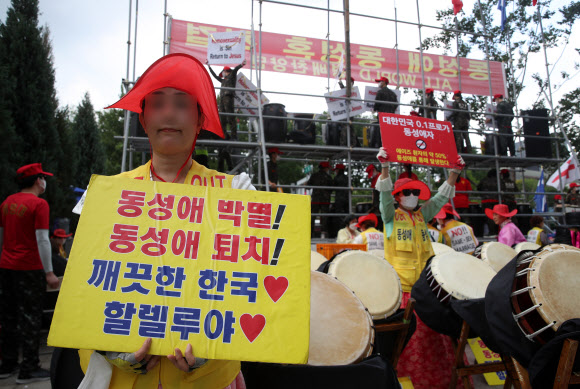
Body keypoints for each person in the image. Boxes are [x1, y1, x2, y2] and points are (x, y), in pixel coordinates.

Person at [77, 53, 253, 389]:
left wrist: (214, 346)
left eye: (182, 104)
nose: (169, 114)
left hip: (207, 379)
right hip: (120, 378)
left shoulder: (238, 192)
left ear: (200, 119)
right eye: (157, 104)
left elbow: (253, 285)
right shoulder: (103, 195)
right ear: (143, 120)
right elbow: (83, 286)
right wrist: (109, 345)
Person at [375, 147, 466, 389]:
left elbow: (440, 199)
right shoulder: (390, 217)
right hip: (403, 294)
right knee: (405, 345)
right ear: (397, 196)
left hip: (427, 292)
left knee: (436, 343)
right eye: (407, 192)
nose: (412, 195)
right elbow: (383, 197)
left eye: (415, 192)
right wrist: (385, 166)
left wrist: (454, 173)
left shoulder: (422, 216)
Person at [0, 163, 60, 384]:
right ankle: (29, 368)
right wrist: (49, 272)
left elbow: (2, 235)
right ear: (38, 180)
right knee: (30, 318)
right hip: (29, 267)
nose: (45, 182)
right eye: (44, 178)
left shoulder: (7, 203)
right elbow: (43, 239)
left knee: (8, 317)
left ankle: (7, 365)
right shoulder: (38, 204)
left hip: (6, 266)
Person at [207, 60, 246, 140]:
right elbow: (215, 76)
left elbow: (235, 69)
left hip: (228, 97)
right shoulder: (223, 80)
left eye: (224, 71)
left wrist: (241, 64)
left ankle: (234, 136)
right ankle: (224, 134)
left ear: (226, 71)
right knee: (222, 118)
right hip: (222, 99)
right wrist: (209, 67)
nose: (223, 73)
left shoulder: (232, 76)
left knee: (230, 117)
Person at [308, 161, 334, 238]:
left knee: (312, 216)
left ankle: (310, 233)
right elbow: (331, 189)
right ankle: (323, 233)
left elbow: (308, 186)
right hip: (325, 200)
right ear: (325, 168)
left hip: (315, 199)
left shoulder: (314, 176)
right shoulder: (328, 177)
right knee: (324, 217)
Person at [478, 169, 500, 236]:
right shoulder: (498, 180)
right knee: (497, 217)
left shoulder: (484, 180)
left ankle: (491, 232)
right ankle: (496, 232)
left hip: (486, 201)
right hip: (496, 201)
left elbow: (478, 188)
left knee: (488, 217)